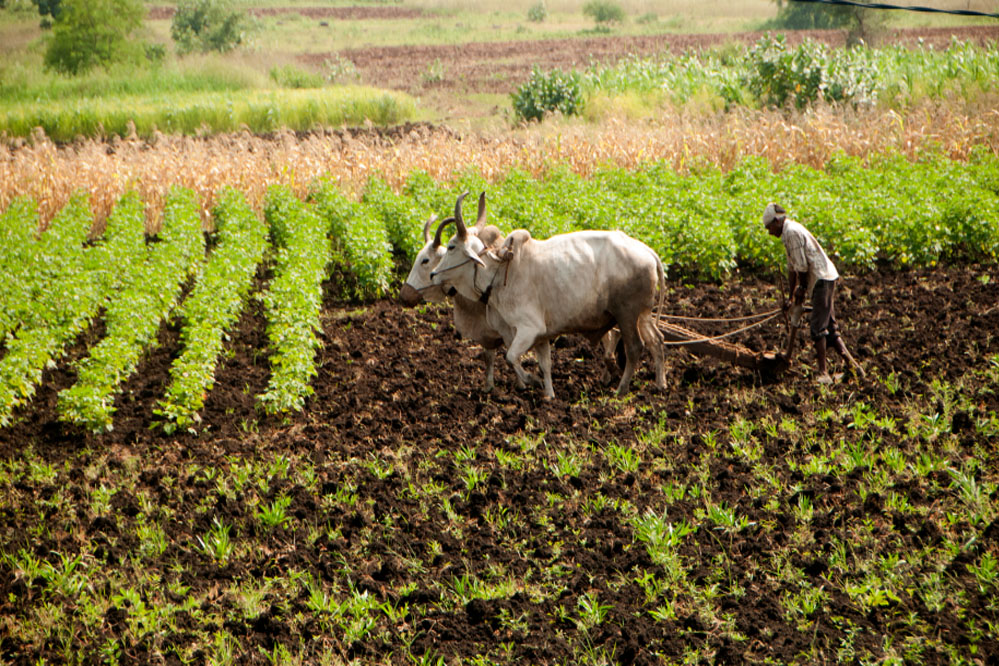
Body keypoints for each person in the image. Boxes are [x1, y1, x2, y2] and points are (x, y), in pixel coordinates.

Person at [763, 202, 865, 384]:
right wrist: (790, 297)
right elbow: (792, 269)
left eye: (769, 227)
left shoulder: (791, 232)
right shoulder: (787, 234)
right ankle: (854, 368)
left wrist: (801, 289)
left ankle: (823, 373)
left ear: (777, 221)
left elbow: (801, 267)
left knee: (818, 328)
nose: (769, 232)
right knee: (831, 329)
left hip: (821, 279)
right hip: (822, 278)